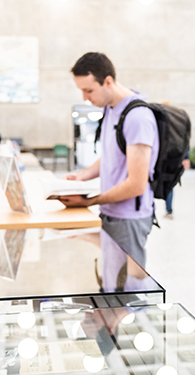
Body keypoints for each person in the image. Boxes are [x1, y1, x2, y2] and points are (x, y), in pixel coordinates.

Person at [61, 52, 159, 270]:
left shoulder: (137, 117)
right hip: (111, 213)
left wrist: (89, 201)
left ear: (108, 81)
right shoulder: (110, 109)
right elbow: (113, 154)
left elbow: (136, 184)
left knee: (128, 291)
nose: (85, 98)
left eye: (88, 90)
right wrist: (82, 175)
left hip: (129, 218)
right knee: (111, 283)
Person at [164, 152, 190, 219]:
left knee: (168, 186)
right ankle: (169, 211)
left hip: (167, 161)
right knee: (170, 186)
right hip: (176, 161)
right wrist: (186, 157)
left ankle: (168, 211)